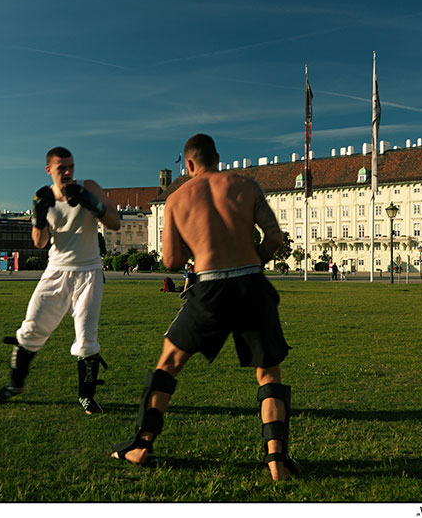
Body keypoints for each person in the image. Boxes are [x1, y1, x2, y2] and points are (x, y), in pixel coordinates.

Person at [111, 134, 300, 481]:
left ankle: (141, 445)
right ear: (218, 158)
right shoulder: (247, 185)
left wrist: (196, 242)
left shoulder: (177, 198)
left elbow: (171, 260)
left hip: (210, 285)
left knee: (168, 364)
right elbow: (274, 237)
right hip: (251, 284)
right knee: (268, 370)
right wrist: (254, 261)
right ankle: (277, 461)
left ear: (189, 164)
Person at [0, 147, 120, 414]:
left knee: (86, 338)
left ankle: (87, 396)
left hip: (88, 272)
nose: (68, 172)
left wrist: (91, 203)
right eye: (62, 168)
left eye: (71, 166)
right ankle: (16, 384)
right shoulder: (43, 197)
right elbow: (39, 243)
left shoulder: (90, 187)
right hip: (55, 272)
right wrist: (39, 215)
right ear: (49, 170)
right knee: (30, 329)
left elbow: (115, 223)